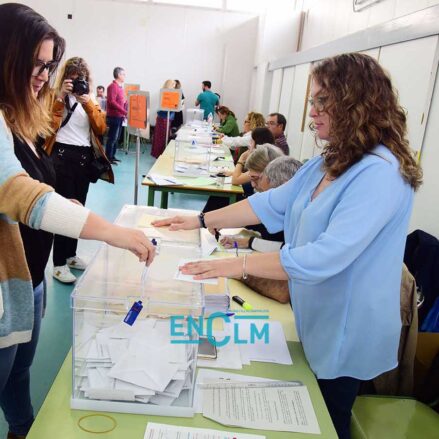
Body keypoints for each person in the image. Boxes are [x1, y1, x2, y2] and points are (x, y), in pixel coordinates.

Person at [152, 53, 423, 439]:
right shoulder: (327, 163)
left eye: (321, 102)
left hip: (346, 332)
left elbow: (323, 257)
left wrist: (235, 265)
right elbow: (268, 203)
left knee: (327, 421)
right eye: (312, 101)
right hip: (313, 318)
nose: (311, 112)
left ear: (355, 103)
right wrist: (199, 221)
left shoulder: (380, 174)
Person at [0, 4, 155, 439]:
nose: (42, 75)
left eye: (48, 66)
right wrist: (113, 233)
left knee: (19, 373)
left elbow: (37, 183)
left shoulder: (19, 117)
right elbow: (20, 193)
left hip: (28, 278)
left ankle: (21, 428)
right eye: (34, 63)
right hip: (6, 285)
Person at [45, 57, 110, 284]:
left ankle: (71, 255)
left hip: (84, 159)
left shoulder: (89, 99)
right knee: (64, 210)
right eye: (72, 79)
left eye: (80, 79)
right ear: (65, 79)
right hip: (61, 157)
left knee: (79, 210)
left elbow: (101, 127)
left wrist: (88, 103)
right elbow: (47, 128)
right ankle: (59, 263)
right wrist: (61, 97)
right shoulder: (55, 97)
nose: (76, 84)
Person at [220, 156, 302, 304]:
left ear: (284, 188)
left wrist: (238, 269)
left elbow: (283, 291)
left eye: (267, 196)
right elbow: (283, 247)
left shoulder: (303, 223)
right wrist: (250, 242)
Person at [105, 66, 127, 163]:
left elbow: (122, 101)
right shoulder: (112, 86)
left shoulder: (120, 87)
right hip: (114, 116)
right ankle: (108, 158)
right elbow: (111, 102)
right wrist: (124, 112)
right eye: (123, 74)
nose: (125, 76)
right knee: (112, 138)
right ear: (118, 75)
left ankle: (112, 156)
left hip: (120, 116)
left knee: (116, 138)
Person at [151, 79, 176, 158]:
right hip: (163, 118)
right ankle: (160, 155)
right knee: (161, 138)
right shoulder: (165, 94)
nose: (174, 87)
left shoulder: (166, 93)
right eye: (173, 86)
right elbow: (164, 107)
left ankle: (160, 154)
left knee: (163, 137)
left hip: (166, 118)